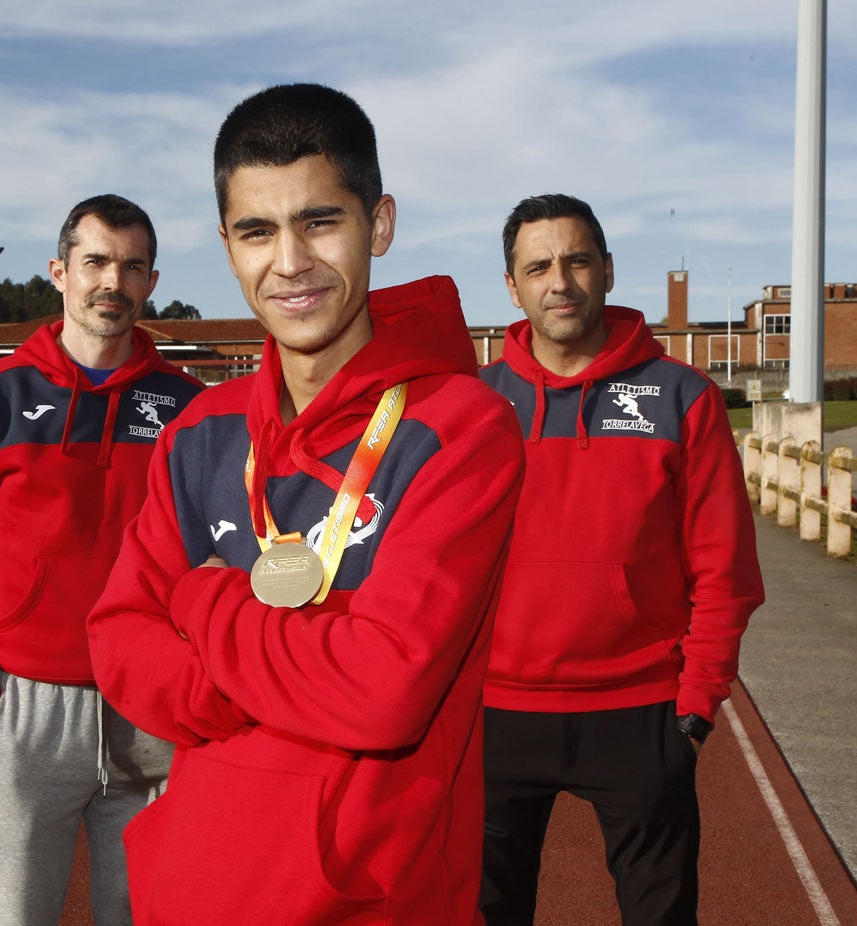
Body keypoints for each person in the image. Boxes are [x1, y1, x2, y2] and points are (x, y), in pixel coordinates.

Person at [86, 83, 525, 925]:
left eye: (319, 221)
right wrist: (283, 673)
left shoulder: (460, 429)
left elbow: (381, 692)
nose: (287, 262)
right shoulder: (201, 433)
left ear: (379, 225)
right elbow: (117, 643)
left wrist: (204, 599)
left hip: (373, 903)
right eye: (257, 230)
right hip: (195, 888)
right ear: (226, 244)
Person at [476, 193, 766, 925]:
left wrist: (696, 705)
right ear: (512, 286)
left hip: (639, 711)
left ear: (605, 270)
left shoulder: (681, 397)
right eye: (536, 266)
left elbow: (724, 569)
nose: (559, 281)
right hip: (494, 712)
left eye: (576, 260)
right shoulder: (470, 405)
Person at [0, 193, 205, 925]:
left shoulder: (186, 408)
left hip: (148, 701)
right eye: (95, 262)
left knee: (147, 911)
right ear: (59, 271)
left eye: (131, 266)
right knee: (15, 914)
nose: (111, 281)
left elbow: (209, 559)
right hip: (29, 706)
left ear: (150, 282)